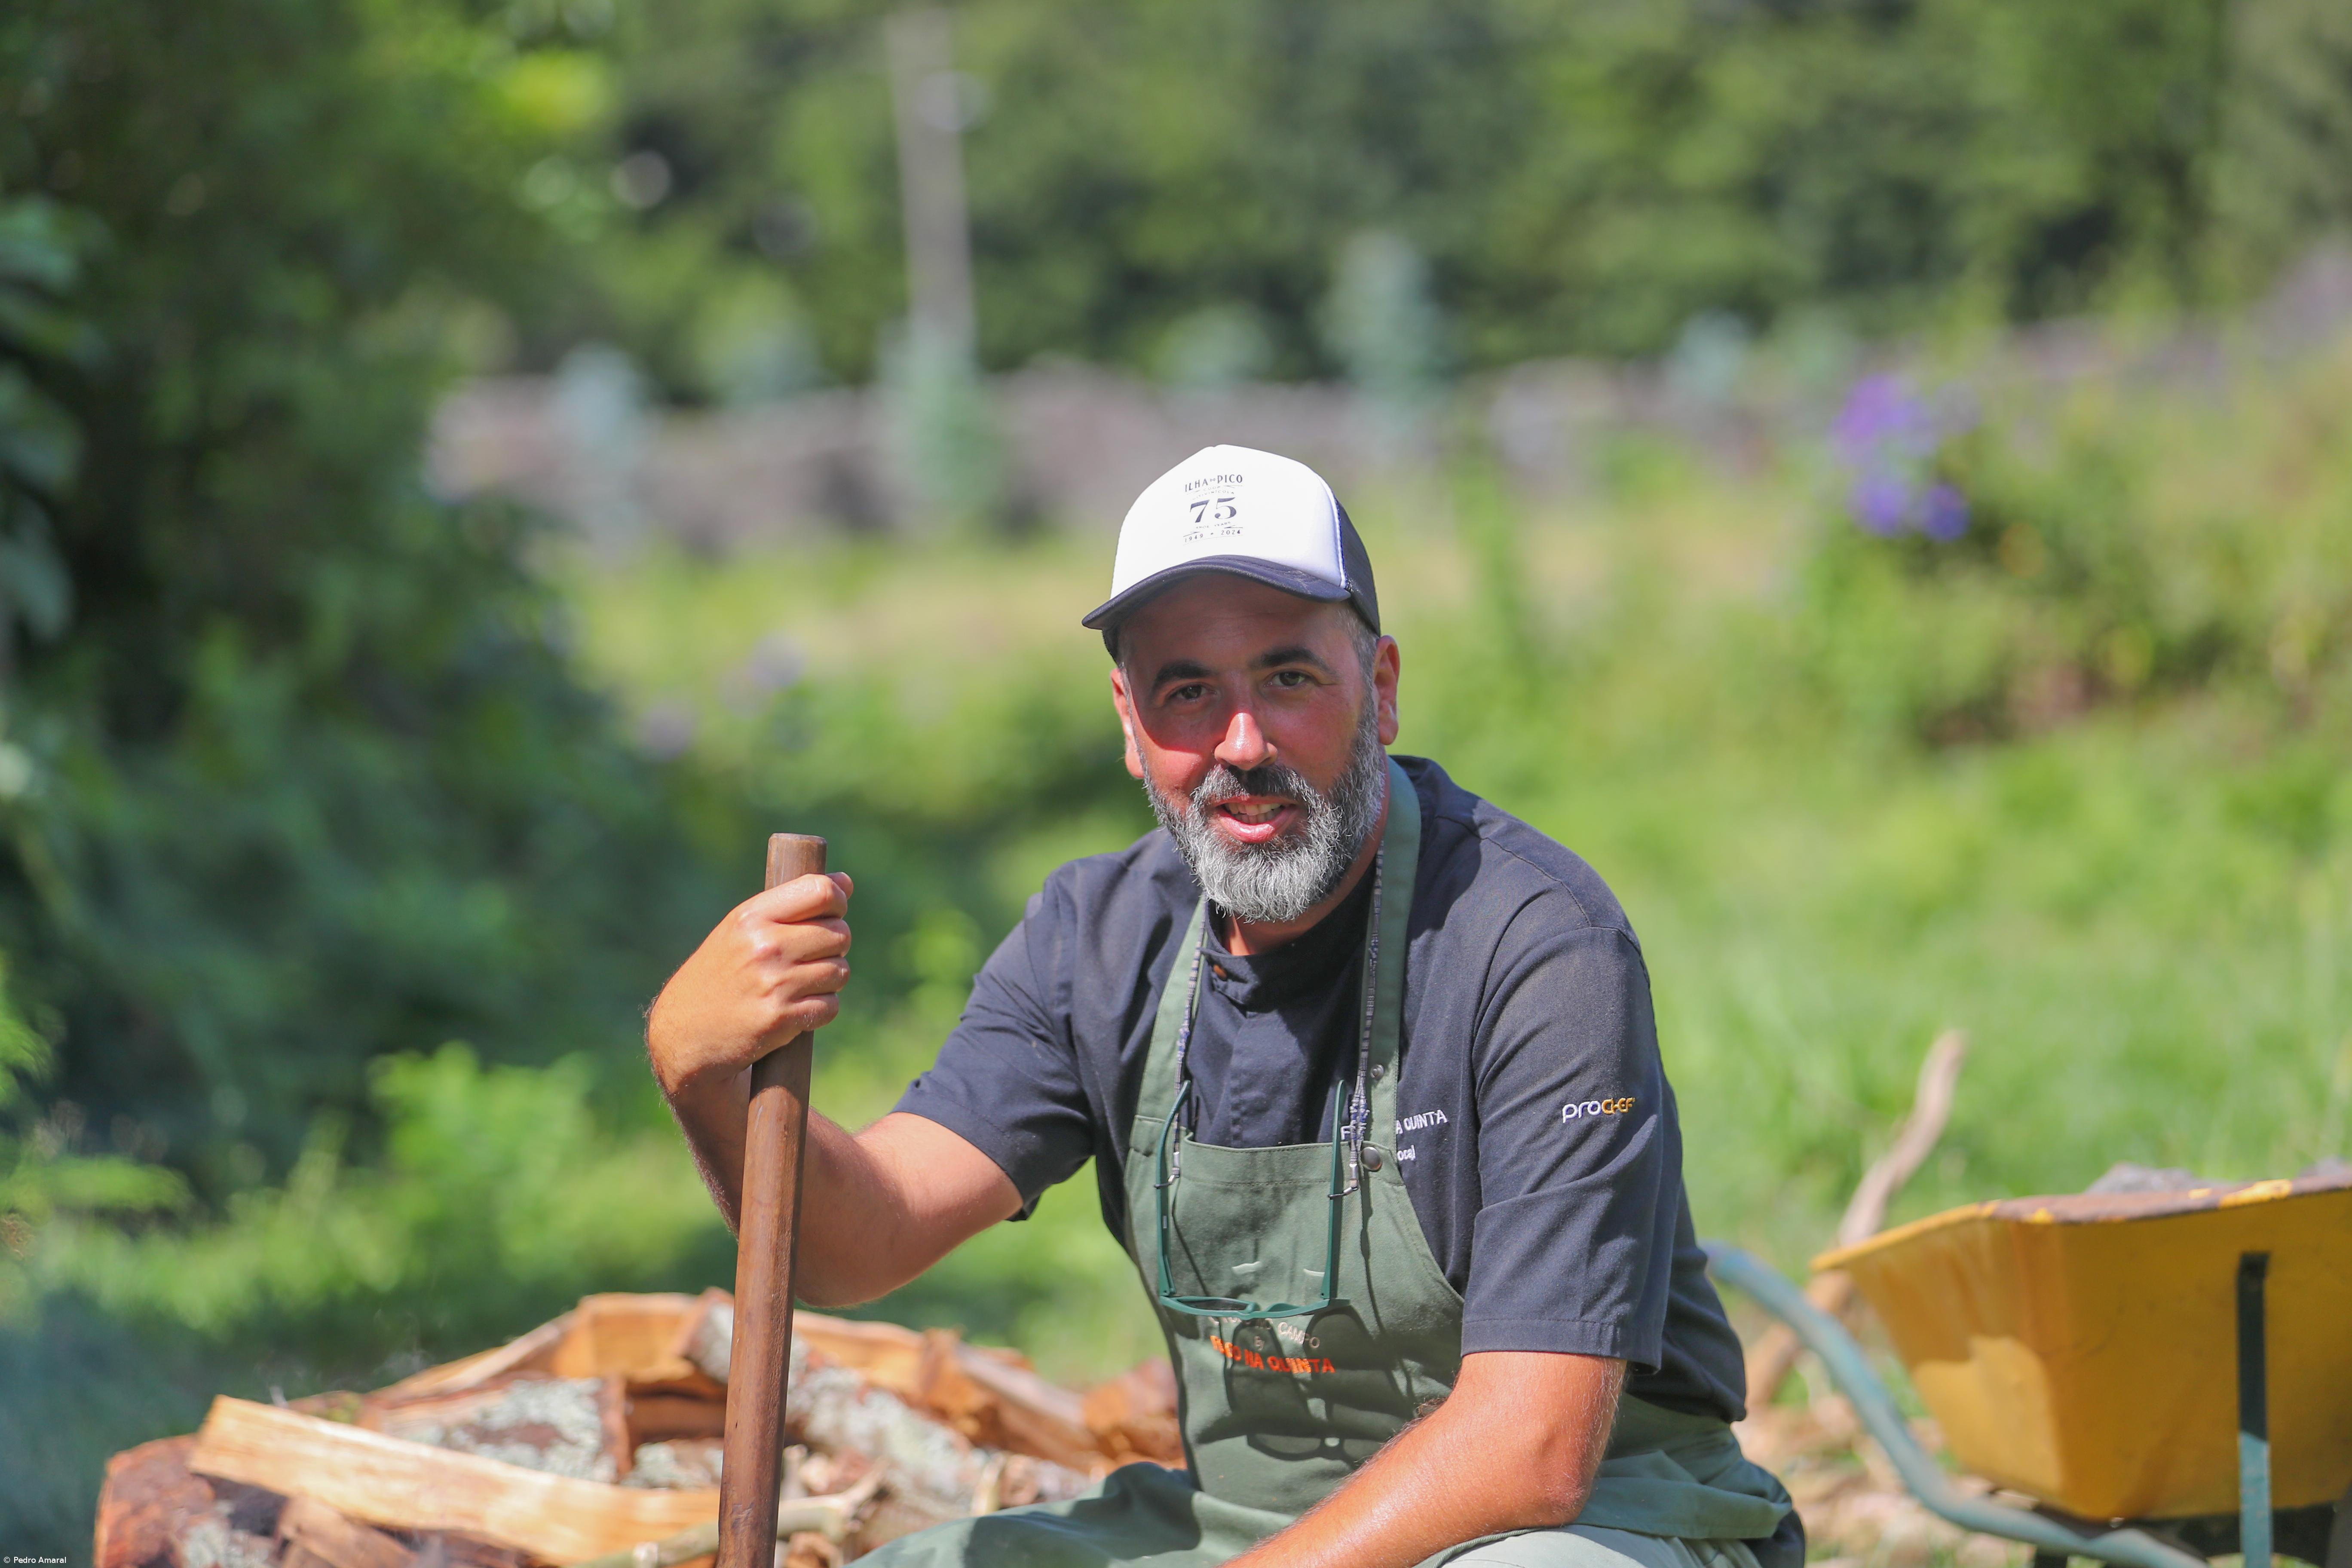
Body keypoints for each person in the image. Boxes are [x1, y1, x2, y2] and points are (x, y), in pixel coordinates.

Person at [646, 445, 1798, 1568]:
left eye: (1288, 677)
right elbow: (862, 1242)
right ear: (1129, 721)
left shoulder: (1532, 945)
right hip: (1255, 1529)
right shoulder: (1094, 944)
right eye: (1187, 692)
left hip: (1599, 1522)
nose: (1240, 745)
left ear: (1382, 688)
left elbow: (1535, 1446)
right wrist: (698, 1069)